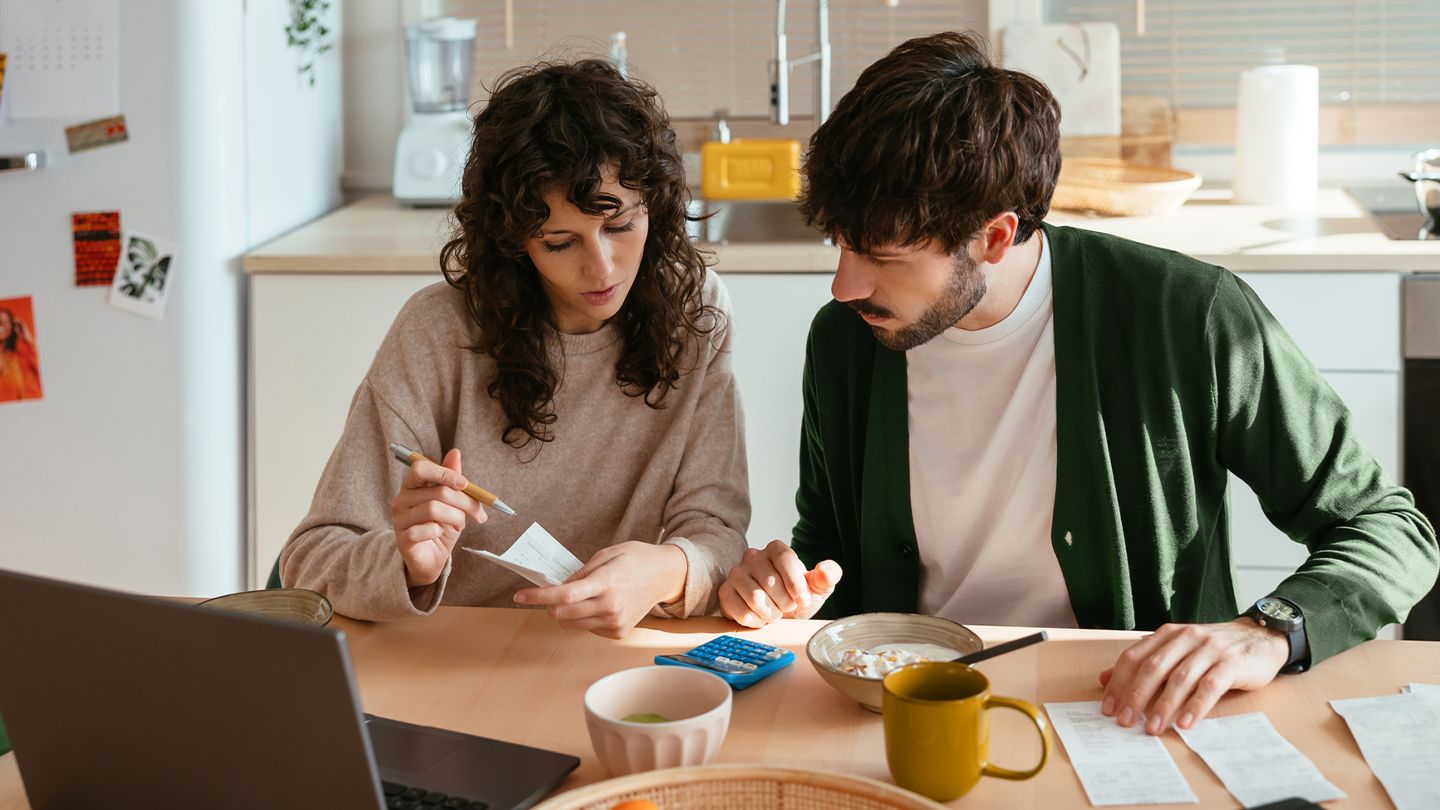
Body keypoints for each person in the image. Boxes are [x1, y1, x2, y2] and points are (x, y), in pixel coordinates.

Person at [718, 31, 1437, 733]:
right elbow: (827, 544)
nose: (845, 283)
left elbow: (1389, 528)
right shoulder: (847, 338)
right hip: (908, 716)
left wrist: (1268, 632)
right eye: (839, 244)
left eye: (880, 254)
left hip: (1124, 716)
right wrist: (784, 585)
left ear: (995, 236)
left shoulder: (1187, 316)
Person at [281, 59, 749, 638]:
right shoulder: (437, 331)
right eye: (560, 241)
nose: (601, 267)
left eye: (621, 226)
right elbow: (310, 561)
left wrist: (668, 569)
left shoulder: (694, 312)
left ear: (654, 203)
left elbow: (718, 532)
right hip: (449, 654)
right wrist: (407, 564)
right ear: (514, 240)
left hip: (605, 660)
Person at [0, 307, 42, 402]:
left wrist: (27, 338)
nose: (1, 323)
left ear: (12, 327)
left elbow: (43, 371)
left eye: (6, 321)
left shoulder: (18, 357)